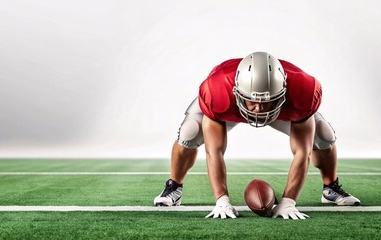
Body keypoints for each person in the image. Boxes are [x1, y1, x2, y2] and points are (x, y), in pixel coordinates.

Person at [153, 52, 360, 220]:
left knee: (324, 134)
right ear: (236, 91)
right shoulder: (217, 92)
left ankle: (330, 188)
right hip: (231, 107)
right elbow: (213, 151)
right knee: (189, 132)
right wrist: (221, 199)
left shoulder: (302, 92)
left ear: (283, 91)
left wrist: (288, 201)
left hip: (282, 108)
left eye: (267, 101)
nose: (259, 109)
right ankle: (174, 186)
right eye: (252, 101)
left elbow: (302, 152)